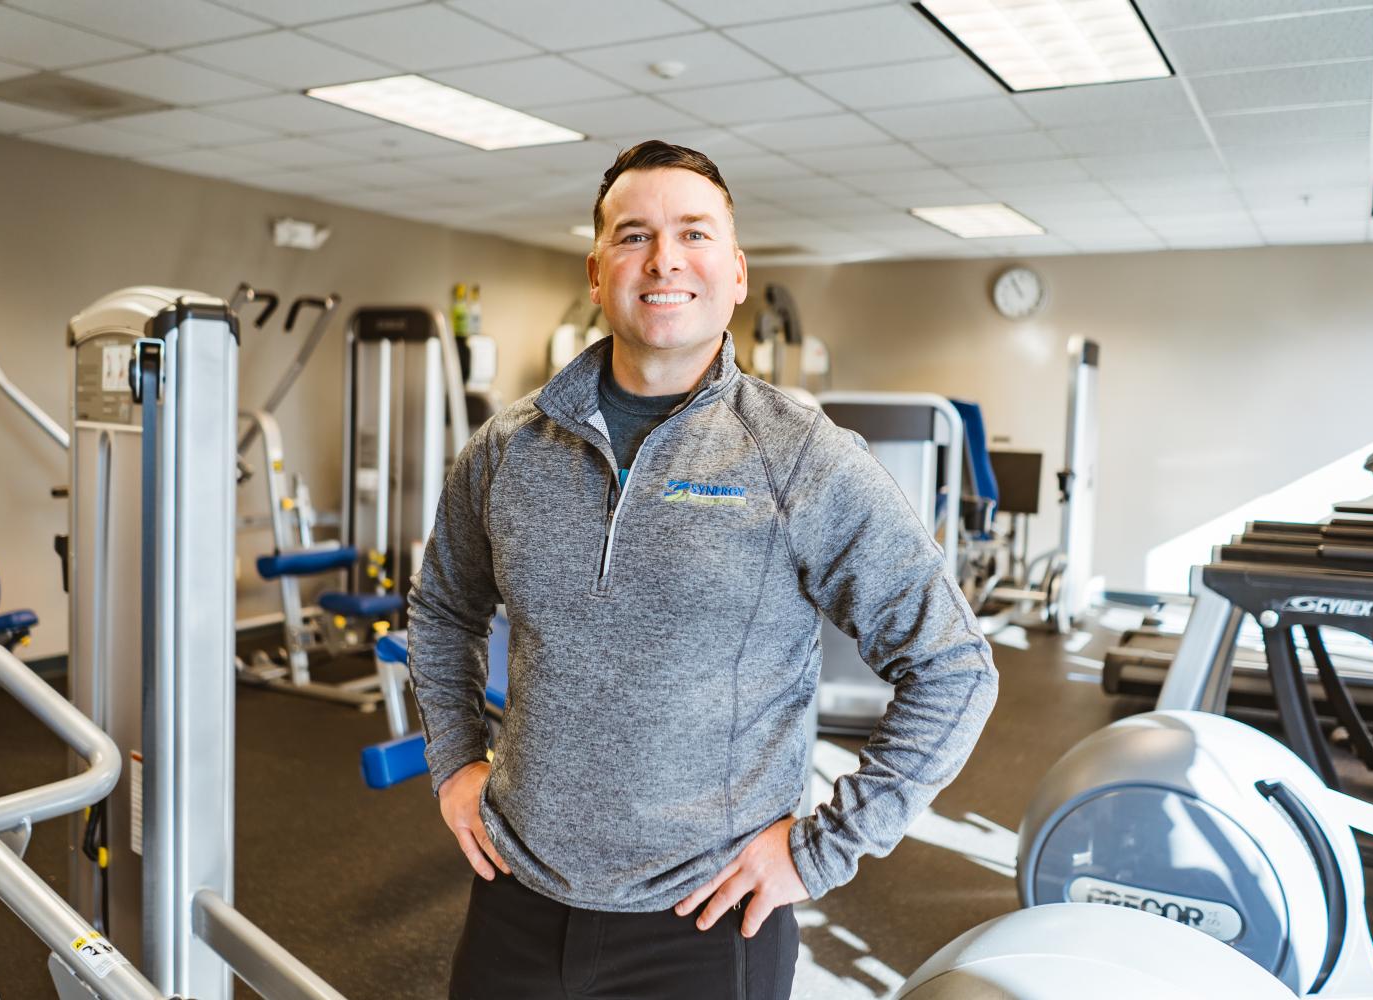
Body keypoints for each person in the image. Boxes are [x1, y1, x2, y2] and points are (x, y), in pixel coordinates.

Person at [408, 139, 998, 1000]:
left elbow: (953, 664)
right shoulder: (507, 449)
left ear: (736, 272)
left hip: (706, 922)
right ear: (597, 268)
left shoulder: (803, 459)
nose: (664, 259)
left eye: (694, 233)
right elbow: (441, 612)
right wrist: (456, 760)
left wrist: (821, 850)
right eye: (633, 235)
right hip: (514, 897)